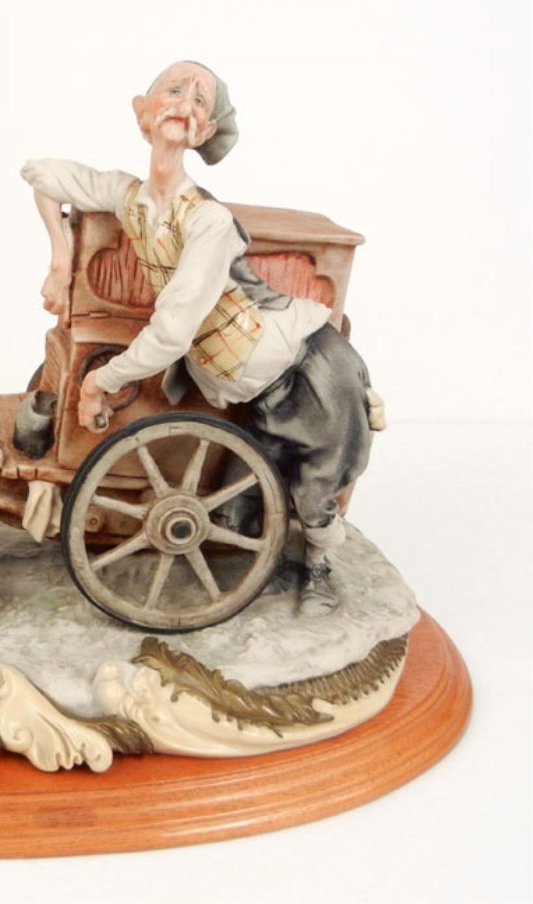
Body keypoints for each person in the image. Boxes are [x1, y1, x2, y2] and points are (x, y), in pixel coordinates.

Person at [21, 60, 382, 616]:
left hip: (306, 371)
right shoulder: (130, 199)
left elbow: (172, 332)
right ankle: (269, 548)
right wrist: (60, 257)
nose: (184, 104)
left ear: (205, 131)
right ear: (142, 112)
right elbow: (41, 174)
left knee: (316, 491)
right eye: (173, 90)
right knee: (247, 490)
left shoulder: (207, 222)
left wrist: (100, 382)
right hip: (245, 387)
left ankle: (319, 567)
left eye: (199, 100)